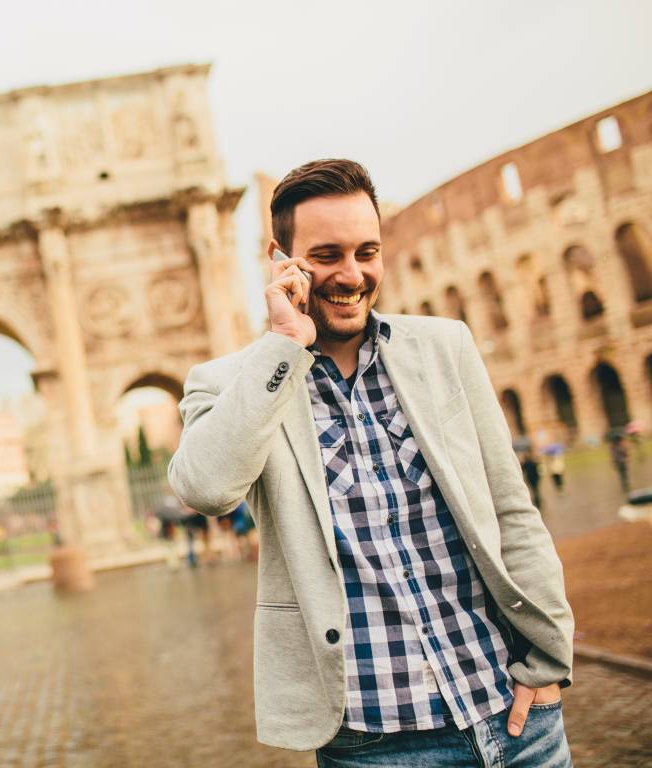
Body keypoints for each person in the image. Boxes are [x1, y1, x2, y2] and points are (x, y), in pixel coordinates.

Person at [168, 159, 573, 765]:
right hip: (375, 742)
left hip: (513, 716)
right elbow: (205, 489)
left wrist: (548, 662)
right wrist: (284, 344)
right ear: (281, 259)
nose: (351, 275)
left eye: (367, 251)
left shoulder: (446, 347)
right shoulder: (235, 384)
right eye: (327, 255)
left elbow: (512, 511)